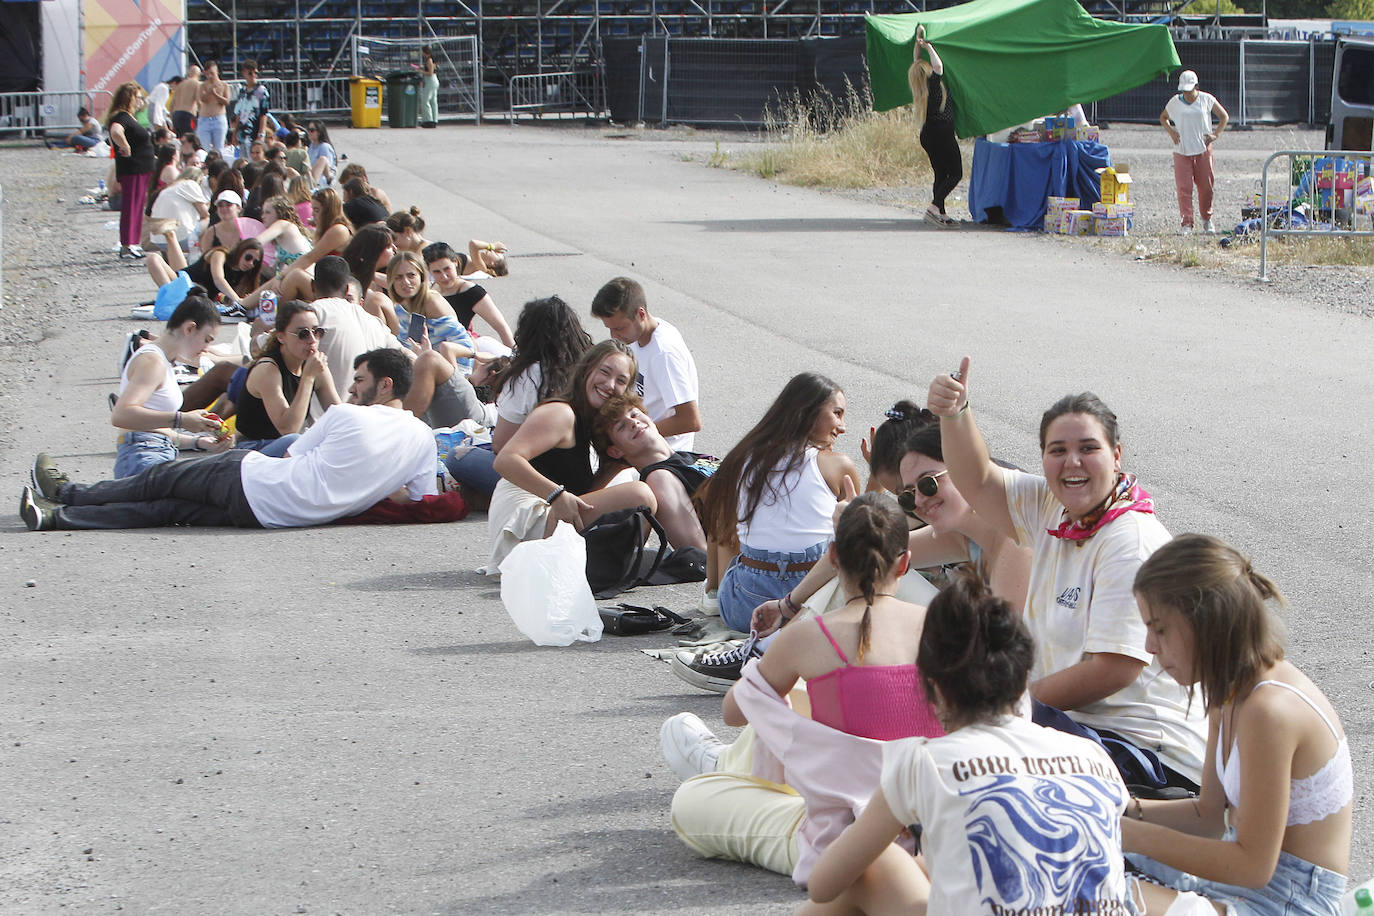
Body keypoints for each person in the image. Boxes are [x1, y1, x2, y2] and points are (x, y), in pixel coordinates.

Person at [927, 357, 1207, 791]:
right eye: (1057, 451)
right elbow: (978, 481)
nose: (1072, 462)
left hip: (1141, 751)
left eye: (1088, 449)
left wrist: (1010, 706)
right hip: (1074, 727)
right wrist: (955, 414)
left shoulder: (1129, 541)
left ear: (1116, 455)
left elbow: (1113, 669)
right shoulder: (1050, 507)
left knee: (969, 758)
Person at [805, 575, 1133, 915]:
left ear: (934, 687)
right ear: (1022, 677)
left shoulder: (923, 761)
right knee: (925, 867)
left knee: (877, 866)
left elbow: (823, 884)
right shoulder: (1090, 754)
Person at [667, 494, 943, 885]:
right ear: (905, 563)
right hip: (936, 826)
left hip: (851, 840)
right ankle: (732, 768)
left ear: (832, 557)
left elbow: (734, 711)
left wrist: (776, 662)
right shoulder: (948, 629)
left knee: (691, 802)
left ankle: (723, 767)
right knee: (804, 701)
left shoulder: (808, 637)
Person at [1121, 535, 1351, 916]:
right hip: (1243, 881)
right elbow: (1208, 815)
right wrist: (1123, 809)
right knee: (1083, 859)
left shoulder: (1269, 711)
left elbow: (1253, 866)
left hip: (1289, 901)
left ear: (1204, 622)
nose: (1149, 645)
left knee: (1110, 898)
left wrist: (1131, 834)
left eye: (1159, 629)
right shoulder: (1229, 688)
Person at [22, 349, 436, 532]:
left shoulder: (346, 415)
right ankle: (56, 518)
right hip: (271, 517)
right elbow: (415, 499)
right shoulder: (423, 438)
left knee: (159, 480)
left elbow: (291, 451)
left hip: (255, 479)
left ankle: (65, 492)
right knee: (165, 510)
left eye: (359, 382)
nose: (350, 390)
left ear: (383, 386)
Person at [755, 405, 1031, 633]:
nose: (919, 502)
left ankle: (776, 657)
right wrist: (786, 606)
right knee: (862, 564)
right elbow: (866, 554)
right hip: (984, 656)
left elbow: (1006, 648)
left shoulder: (1014, 529)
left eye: (928, 484)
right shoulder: (961, 530)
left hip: (1017, 679)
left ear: (962, 463)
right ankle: (780, 653)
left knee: (872, 592)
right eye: (907, 496)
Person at [673, 373, 861, 693]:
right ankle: (769, 651)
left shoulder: (746, 457)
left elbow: (720, 524)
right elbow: (862, 535)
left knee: (733, 530)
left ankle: (713, 596)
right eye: (837, 414)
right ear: (807, 412)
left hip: (746, 607)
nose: (842, 427)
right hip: (812, 599)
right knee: (849, 544)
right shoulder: (837, 465)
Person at [486, 340, 657, 571]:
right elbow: (505, 460)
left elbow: (586, 496)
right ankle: (624, 568)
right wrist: (555, 494)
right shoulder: (561, 412)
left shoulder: (593, 423)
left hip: (549, 510)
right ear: (586, 370)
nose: (609, 384)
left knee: (641, 482)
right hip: (524, 515)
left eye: (621, 381)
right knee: (641, 495)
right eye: (604, 372)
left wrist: (619, 462)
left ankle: (637, 563)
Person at [443, 296, 592, 497]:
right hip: (585, 470)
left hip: (540, 478)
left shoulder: (528, 375)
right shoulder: (589, 369)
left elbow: (502, 445)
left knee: (457, 455)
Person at [109, 295, 230, 477]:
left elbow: (151, 429)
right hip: (143, 457)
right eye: (207, 339)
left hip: (151, 452)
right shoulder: (153, 362)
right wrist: (182, 419)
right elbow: (121, 415)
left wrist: (199, 442)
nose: (207, 348)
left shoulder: (162, 361)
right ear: (189, 328)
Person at [592, 393, 716, 551]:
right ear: (616, 451)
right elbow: (698, 551)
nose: (633, 422)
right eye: (621, 426)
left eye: (634, 413)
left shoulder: (687, 457)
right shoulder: (659, 479)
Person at [590, 277, 700, 450]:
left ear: (641, 314)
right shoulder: (638, 336)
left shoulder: (664, 354)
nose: (614, 335)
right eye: (609, 328)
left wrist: (630, 437)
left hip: (662, 450)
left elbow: (690, 420)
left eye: (619, 328)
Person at [236, 300, 341, 455]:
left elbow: (338, 414)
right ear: (281, 337)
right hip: (252, 448)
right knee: (296, 441)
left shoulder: (315, 366)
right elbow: (288, 429)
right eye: (303, 334)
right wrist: (308, 378)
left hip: (284, 445)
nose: (312, 340)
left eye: (317, 331)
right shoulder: (268, 370)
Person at [1161, 69, 1229, 235]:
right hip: (1181, 150)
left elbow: (1223, 116)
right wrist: (1172, 132)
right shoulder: (1175, 102)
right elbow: (1163, 117)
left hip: (1202, 148)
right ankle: (1187, 223)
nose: (1187, 93)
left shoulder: (1206, 99)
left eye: (1190, 90)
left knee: (1206, 187)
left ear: (1196, 86)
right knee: (1184, 188)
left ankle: (1207, 218)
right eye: (1184, 90)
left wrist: (1215, 134)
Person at [908, 24, 961, 227]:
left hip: (928, 134)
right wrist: (929, 46)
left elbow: (916, 61)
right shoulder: (933, 84)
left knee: (941, 173)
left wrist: (918, 40)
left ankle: (941, 213)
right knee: (955, 173)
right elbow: (938, 66)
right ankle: (934, 206)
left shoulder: (919, 85)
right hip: (942, 132)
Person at [422, 241, 514, 348]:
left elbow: (501, 326)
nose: (444, 276)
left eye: (447, 269)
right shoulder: (428, 290)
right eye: (437, 272)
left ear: (455, 262)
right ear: (429, 271)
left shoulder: (471, 292)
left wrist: (515, 357)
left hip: (461, 350)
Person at [147, 237, 265, 313]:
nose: (250, 263)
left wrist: (245, 299)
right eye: (248, 257)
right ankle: (172, 297)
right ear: (240, 251)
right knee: (153, 258)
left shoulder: (243, 275)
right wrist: (238, 300)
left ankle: (175, 300)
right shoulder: (220, 254)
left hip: (198, 299)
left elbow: (227, 300)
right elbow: (218, 279)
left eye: (255, 262)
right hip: (183, 282)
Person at [106, 82, 156, 260]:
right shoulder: (121, 117)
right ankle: (127, 244)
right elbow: (115, 131)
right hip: (132, 168)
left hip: (141, 168)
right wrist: (125, 146)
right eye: (137, 97)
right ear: (130, 99)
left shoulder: (130, 117)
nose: (140, 101)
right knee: (130, 206)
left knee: (137, 206)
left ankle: (133, 242)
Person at [144, 166, 210, 253]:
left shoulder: (167, 189)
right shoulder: (190, 184)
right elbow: (205, 213)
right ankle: (198, 254)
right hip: (183, 239)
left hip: (158, 240)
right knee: (207, 220)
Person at [255, 196, 313, 277]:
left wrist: (245, 247)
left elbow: (256, 243)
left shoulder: (283, 224)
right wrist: (256, 260)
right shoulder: (283, 238)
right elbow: (272, 273)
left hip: (305, 279)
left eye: (267, 212)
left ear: (280, 213)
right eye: (263, 212)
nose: (263, 216)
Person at [230, 59, 271, 160]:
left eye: (255, 73)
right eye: (249, 73)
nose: (253, 75)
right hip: (242, 134)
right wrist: (235, 132)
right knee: (243, 162)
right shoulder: (242, 91)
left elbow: (263, 113)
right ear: (244, 73)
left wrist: (261, 133)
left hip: (254, 132)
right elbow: (239, 114)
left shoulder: (260, 91)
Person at [196, 60, 232, 153]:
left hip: (218, 118)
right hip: (204, 119)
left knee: (219, 149)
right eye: (207, 74)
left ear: (217, 72)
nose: (210, 76)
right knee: (204, 149)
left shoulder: (224, 85)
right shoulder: (203, 85)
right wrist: (209, 91)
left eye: (212, 73)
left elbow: (226, 101)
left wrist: (216, 94)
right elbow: (203, 99)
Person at [170, 66, 200, 137]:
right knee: (191, 139)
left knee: (181, 140)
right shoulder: (196, 83)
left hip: (176, 115)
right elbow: (199, 101)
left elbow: (172, 104)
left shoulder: (180, 84)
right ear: (199, 75)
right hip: (188, 115)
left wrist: (172, 117)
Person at [305, 121, 336, 186]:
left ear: (319, 132)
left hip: (322, 181)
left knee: (322, 159)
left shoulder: (325, 147)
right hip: (310, 176)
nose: (309, 132)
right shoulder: (311, 146)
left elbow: (327, 168)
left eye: (312, 130)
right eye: (308, 130)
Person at [418, 45, 439, 128]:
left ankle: (428, 120)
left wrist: (421, 71)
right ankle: (434, 120)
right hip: (433, 81)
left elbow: (430, 73)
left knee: (425, 100)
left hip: (431, 80)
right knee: (433, 101)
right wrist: (423, 67)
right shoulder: (430, 59)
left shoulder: (429, 60)